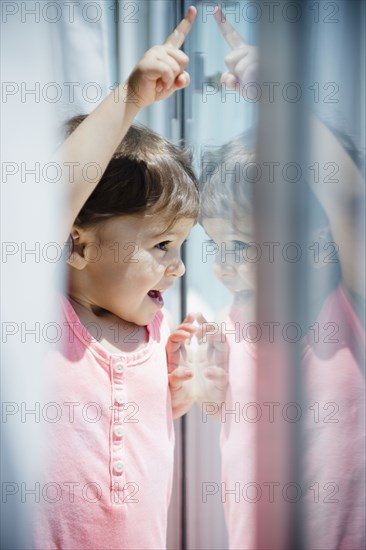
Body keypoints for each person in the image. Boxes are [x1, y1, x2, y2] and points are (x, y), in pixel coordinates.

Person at [196, 8, 365, 550]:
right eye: (217, 246)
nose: (222, 265)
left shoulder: (349, 308)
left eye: (242, 245)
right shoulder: (233, 323)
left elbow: (349, 203)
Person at [34, 7, 199, 550]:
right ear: (76, 243)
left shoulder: (157, 336)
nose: (176, 266)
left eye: (180, 246)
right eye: (160, 245)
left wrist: (182, 385)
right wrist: (129, 97)